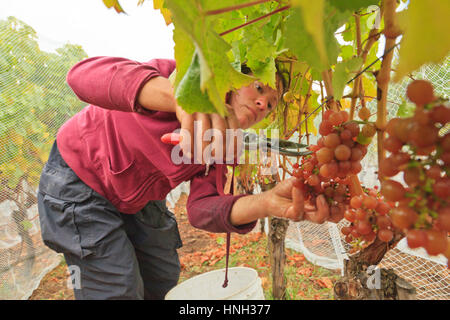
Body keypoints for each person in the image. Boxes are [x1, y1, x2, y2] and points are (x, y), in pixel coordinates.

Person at [37, 57, 327, 300]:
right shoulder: (177, 75)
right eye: (259, 87)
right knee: (117, 289)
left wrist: (265, 203)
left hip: (136, 197)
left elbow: (202, 208)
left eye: (272, 104)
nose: (263, 103)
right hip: (77, 180)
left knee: (162, 276)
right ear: (231, 75)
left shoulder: (225, 143)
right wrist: (180, 98)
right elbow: (80, 76)